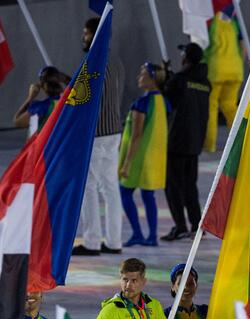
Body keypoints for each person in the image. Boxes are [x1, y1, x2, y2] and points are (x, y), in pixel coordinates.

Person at [73, 16, 125, 256]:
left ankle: (92, 241)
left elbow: (78, 98)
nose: (82, 37)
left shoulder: (92, 63)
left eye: (85, 33)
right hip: (114, 131)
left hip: (95, 136)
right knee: (110, 189)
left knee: (89, 188)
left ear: (94, 35)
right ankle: (114, 241)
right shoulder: (116, 62)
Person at [161, 43, 211, 242]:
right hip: (195, 141)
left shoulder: (180, 80)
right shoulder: (206, 83)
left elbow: (168, 98)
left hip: (177, 141)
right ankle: (197, 224)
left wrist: (166, 75)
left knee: (173, 186)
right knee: (190, 186)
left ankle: (180, 226)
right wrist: (171, 75)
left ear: (185, 58)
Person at [118, 62, 170, 247]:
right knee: (149, 196)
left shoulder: (142, 103)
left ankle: (138, 234)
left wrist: (127, 163)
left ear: (151, 79)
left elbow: (136, 135)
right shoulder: (163, 101)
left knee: (124, 192)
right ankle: (152, 236)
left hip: (139, 157)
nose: (139, 78)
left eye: (142, 74)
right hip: (154, 156)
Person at [202, 3, 246, 153]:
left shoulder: (209, 22)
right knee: (230, 107)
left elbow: (202, 45)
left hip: (216, 70)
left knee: (211, 107)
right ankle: (241, 142)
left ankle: (210, 145)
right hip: (235, 70)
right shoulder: (234, 21)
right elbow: (243, 46)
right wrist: (239, 63)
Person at [13, 66, 66, 136]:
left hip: (45, 146)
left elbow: (17, 122)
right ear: (59, 81)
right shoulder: (70, 103)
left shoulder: (40, 107)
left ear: (41, 85)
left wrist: (30, 97)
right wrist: (66, 79)